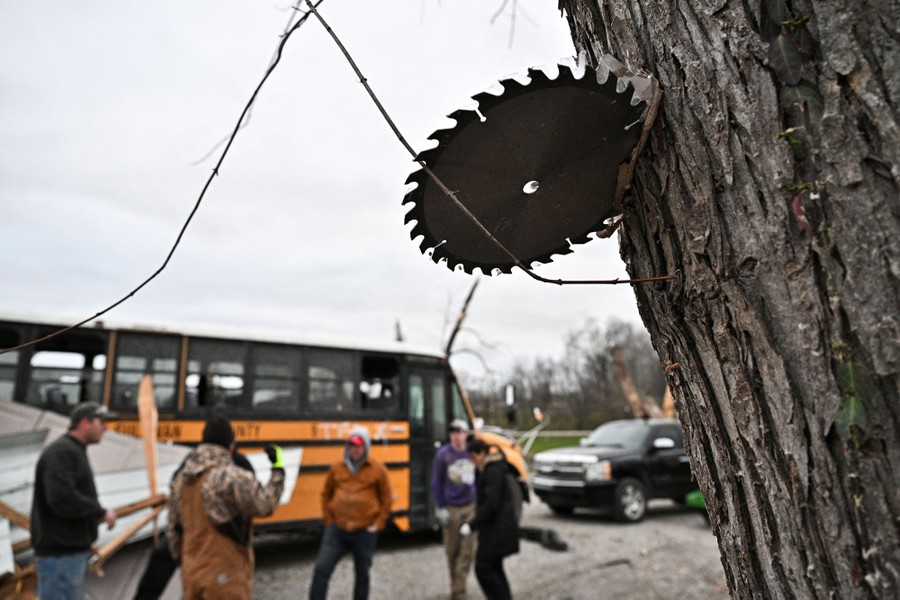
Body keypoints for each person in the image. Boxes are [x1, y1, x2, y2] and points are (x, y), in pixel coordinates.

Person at [167, 417, 284, 600]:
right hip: (225, 576)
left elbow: (173, 530)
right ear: (230, 446)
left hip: (192, 575)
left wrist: (183, 561)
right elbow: (265, 504)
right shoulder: (231, 477)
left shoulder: (181, 480)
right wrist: (278, 468)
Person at [133, 445, 255, 600]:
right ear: (230, 446)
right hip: (215, 539)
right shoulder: (238, 463)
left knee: (165, 560)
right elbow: (252, 501)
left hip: (195, 534)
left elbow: (175, 486)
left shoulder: (194, 458)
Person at [30, 401, 119, 600]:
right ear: (84, 422)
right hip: (61, 555)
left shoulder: (72, 450)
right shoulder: (63, 452)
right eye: (101, 422)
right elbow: (62, 498)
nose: (105, 428)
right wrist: (101, 513)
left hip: (67, 553)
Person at [309, 426, 392, 600]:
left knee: (362, 574)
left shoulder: (377, 469)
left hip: (364, 531)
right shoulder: (337, 468)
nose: (355, 450)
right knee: (321, 569)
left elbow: (386, 499)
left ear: (366, 447)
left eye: (359, 446)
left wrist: (377, 524)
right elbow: (326, 493)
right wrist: (329, 520)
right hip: (337, 529)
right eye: (352, 446)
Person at [460, 438, 520, 600]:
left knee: (483, 567)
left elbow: (491, 505)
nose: (472, 461)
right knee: (495, 567)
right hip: (496, 529)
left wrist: (472, 525)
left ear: (482, 453)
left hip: (497, 530)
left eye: (473, 457)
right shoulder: (492, 469)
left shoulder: (493, 471)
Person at [431, 418, 478, 600]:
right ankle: (456, 586)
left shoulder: (472, 453)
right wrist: (441, 507)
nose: (456, 437)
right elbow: (437, 482)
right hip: (451, 509)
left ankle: (459, 592)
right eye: (453, 433)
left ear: (466, 435)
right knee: (452, 551)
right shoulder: (444, 455)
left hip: (470, 507)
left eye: (459, 433)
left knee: (467, 553)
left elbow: (480, 478)